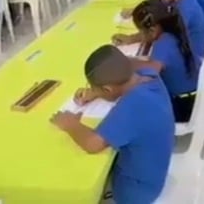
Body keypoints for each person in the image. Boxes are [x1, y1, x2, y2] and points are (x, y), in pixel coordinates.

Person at [50, 45, 174, 204]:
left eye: (94, 88)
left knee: (77, 178)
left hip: (135, 191)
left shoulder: (133, 105)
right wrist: (96, 92)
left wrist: (71, 124)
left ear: (108, 89)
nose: (92, 90)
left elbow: (92, 144)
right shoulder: (147, 76)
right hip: (154, 174)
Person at [129, 0, 200, 122]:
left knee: (135, 102)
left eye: (142, 32)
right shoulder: (175, 31)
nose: (142, 37)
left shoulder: (163, 43)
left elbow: (151, 71)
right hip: (195, 97)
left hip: (184, 106)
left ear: (152, 30)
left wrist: (130, 63)